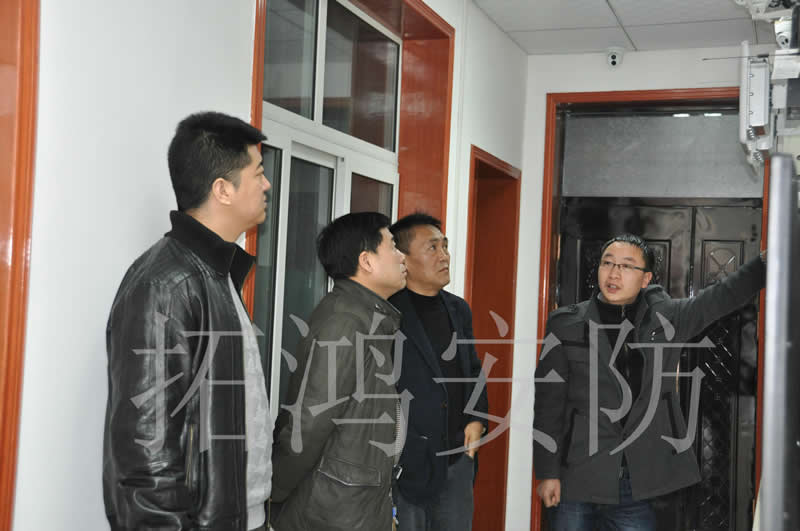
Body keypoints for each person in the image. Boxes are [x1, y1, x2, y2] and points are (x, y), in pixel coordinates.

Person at [103, 112, 273, 531]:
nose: (267, 184)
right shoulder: (167, 285)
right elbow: (145, 454)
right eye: (258, 173)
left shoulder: (218, 275)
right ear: (223, 190)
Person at [533, 234, 766, 530]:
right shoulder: (565, 324)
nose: (614, 273)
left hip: (635, 484)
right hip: (577, 477)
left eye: (626, 266)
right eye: (607, 263)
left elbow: (723, 296)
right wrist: (547, 472)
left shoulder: (667, 320)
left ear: (645, 279)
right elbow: (548, 406)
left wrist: (767, 262)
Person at [270, 212, 408, 531]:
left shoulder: (368, 318)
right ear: (366, 261)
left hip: (354, 504)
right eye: (392, 246)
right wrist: (274, 493)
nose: (402, 256)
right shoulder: (345, 321)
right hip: (335, 511)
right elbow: (310, 422)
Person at [388, 213, 489, 531]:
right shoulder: (388, 311)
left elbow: (473, 369)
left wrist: (477, 419)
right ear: (403, 258)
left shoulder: (458, 308)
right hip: (406, 465)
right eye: (432, 248)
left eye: (444, 246)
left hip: (456, 459)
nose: (444, 255)